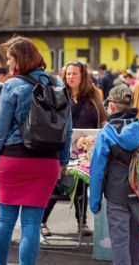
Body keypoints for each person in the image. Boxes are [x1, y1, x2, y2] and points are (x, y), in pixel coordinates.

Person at [0, 36, 72, 265]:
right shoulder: (58, 85)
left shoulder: (12, 86)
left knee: (4, 221)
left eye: (9, 59)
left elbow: (0, 131)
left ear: (20, 59)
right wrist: (63, 161)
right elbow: (67, 130)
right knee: (32, 223)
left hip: (13, 160)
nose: (8, 64)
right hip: (46, 162)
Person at [41, 60, 106, 237]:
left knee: (81, 186)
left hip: (86, 152)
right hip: (61, 149)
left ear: (82, 75)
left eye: (74, 73)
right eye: (68, 73)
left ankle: (82, 223)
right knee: (58, 185)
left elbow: (102, 119)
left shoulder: (93, 96)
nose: (70, 77)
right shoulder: (58, 94)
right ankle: (42, 221)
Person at [89, 84, 139, 265]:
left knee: (120, 242)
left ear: (112, 107)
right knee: (136, 239)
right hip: (138, 191)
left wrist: (95, 202)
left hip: (116, 195)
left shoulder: (106, 133)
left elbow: (97, 169)